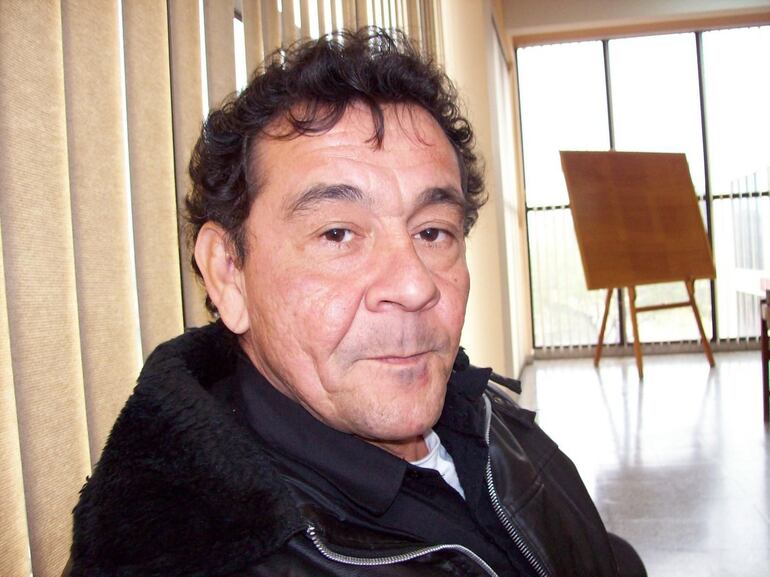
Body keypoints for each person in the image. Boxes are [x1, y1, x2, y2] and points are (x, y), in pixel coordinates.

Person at [67, 28, 645, 577]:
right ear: (229, 273)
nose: (415, 286)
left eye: (432, 232)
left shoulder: (483, 413)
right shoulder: (195, 554)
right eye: (338, 233)